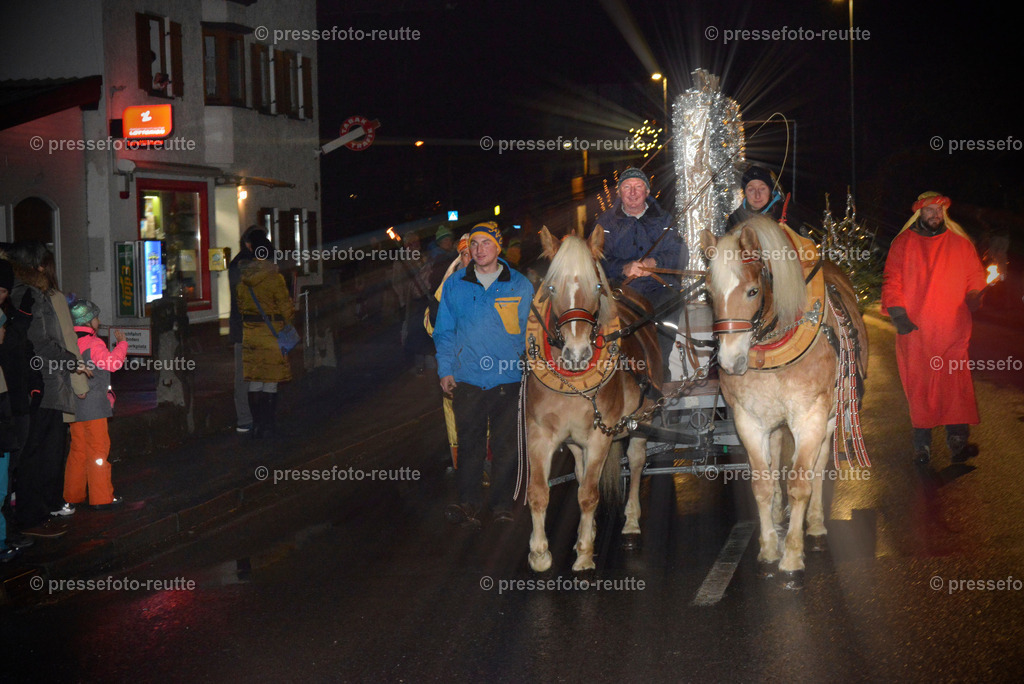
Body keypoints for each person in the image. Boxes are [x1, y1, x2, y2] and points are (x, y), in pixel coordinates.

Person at [434, 222, 532, 527]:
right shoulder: (455, 285)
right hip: (468, 379)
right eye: (474, 244)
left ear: (498, 247)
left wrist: (533, 369)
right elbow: (444, 331)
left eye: (485, 243)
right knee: (470, 444)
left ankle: (503, 504)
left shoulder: (520, 285)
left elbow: (532, 333)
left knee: (506, 445)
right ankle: (468, 503)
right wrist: (445, 369)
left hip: (508, 379)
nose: (478, 249)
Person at [881, 192, 987, 465]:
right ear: (919, 213)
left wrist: (975, 293)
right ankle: (922, 446)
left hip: (953, 330)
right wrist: (898, 314)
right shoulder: (903, 244)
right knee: (921, 387)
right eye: (929, 211)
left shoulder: (959, 244)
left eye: (939, 211)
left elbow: (975, 274)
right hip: (916, 333)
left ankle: (957, 443)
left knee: (954, 387)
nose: (935, 215)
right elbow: (892, 280)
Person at [7, 241, 89, 537]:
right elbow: (45, 341)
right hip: (44, 382)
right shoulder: (31, 294)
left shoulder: (22, 292)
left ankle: (38, 510)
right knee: (41, 450)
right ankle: (33, 516)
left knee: (44, 449)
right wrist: (73, 365)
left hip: (38, 381)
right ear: (36, 266)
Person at [598, 167, 688, 367]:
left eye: (638, 187)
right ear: (620, 193)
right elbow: (597, 261)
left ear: (647, 192)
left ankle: (659, 368)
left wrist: (653, 263)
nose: (632, 192)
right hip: (622, 293)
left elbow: (681, 254)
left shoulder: (664, 219)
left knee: (668, 310)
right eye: (627, 187)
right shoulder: (606, 222)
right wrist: (624, 267)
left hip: (660, 289)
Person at [65, 299, 128, 509]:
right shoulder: (93, 343)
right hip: (95, 407)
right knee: (98, 451)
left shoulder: (69, 341)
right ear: (89, 321)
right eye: (96, 317)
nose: (99, 321)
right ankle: (102, 497)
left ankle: (72, 496)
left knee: (77, 452)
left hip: (74, 407)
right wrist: (122, 345)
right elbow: (113, 363)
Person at [237, 232, 293, 438]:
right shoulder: (275, 278)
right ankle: (269, 425)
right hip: (271, 333)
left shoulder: (244, 278)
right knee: (271, 380)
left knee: (255, 379)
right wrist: (288, 323)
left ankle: (257, 424)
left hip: (251, 334)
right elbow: (285, 306)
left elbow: (241, 305)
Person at [228, 226, 266, 434]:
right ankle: (246, 418)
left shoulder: (246, 263)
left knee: (252, 374)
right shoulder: (242, 265)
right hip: (247, 329)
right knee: (244, 375)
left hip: (250, 328)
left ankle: (252, 417)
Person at [391, 233, 434, 374]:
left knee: (428, 329)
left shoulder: (424, 258)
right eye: (411, 244)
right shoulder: (401, 262)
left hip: (426, 299)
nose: (415, 246)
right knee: (415, 332)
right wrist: (406, 296)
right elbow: (397, 283)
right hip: (412, 302)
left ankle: (429, 358)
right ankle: (418, 362)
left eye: (417, 243)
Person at [727, 164, 786, 228]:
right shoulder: (735, 219)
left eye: (762, 189)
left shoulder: (782, 216)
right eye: (751, 190)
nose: (757, 196)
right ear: (745, 193)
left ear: (770, 190)